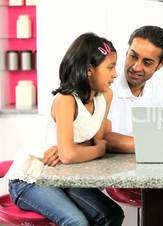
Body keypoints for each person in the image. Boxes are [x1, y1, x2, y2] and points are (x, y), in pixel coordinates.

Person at [6, 32, 124, 226]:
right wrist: (96, 150)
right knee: (76, 221)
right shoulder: (66, 100)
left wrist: (73, 149)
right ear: (89, 70)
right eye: (110, 67)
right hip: (31, 178)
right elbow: (73, 153)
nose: (115, 74)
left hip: (62, 175)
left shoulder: (105, 96)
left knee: (112, 214)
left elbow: (96, 138)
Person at [105, 25, 163, 153]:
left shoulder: (162, 94)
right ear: (127, 51)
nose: (136, 67)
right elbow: (102, 138)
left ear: (161, 64)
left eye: (147, 62)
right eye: (133, 56)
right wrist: (155, 144)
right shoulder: (104, 87)